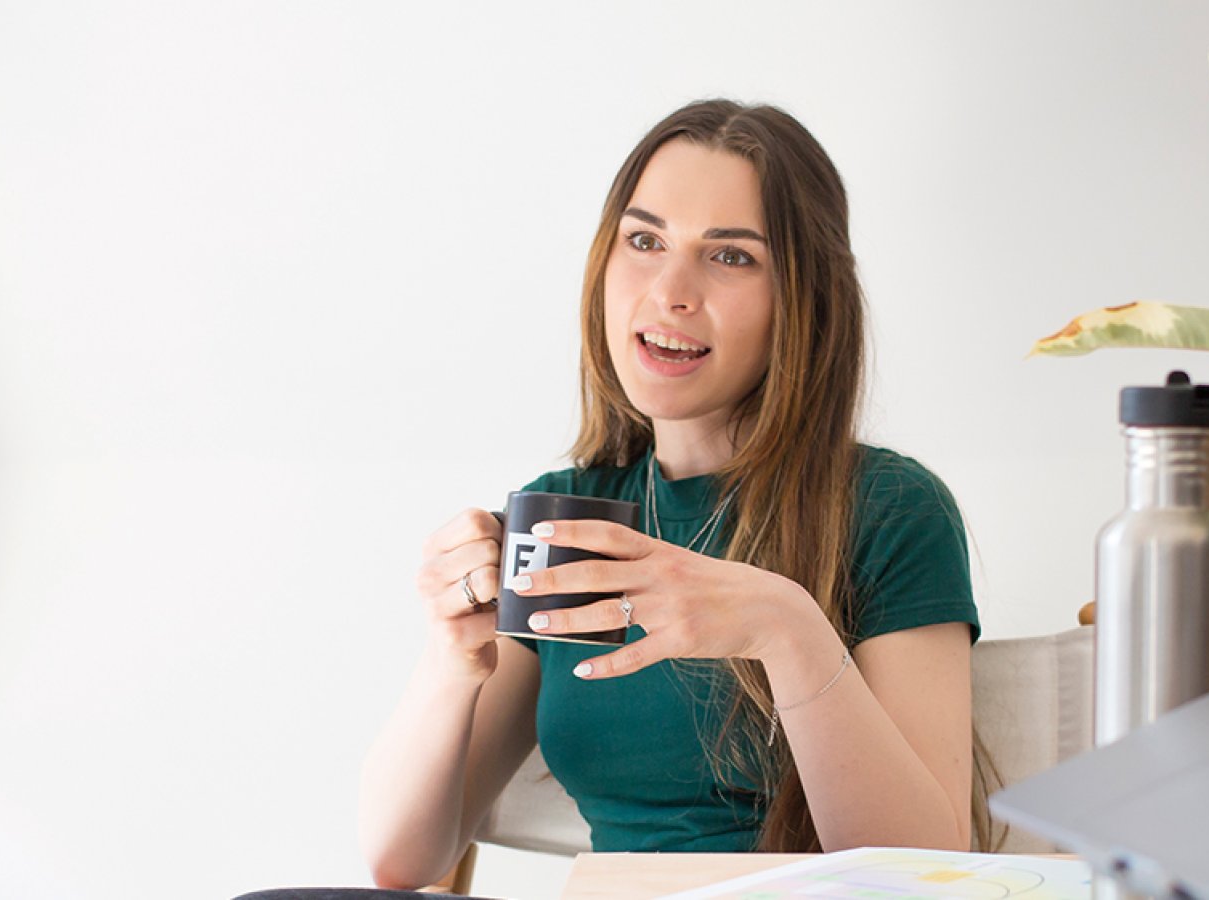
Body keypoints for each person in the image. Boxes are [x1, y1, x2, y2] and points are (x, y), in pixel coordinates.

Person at [358, 99, 984, 891]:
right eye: (645, 241)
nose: (670, 291)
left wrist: (789, 631)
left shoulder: (892, 509)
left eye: (730, 257)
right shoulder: (565, 513)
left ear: (806, 297)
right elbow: (399, 861)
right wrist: (452, 664)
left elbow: (924, 872)